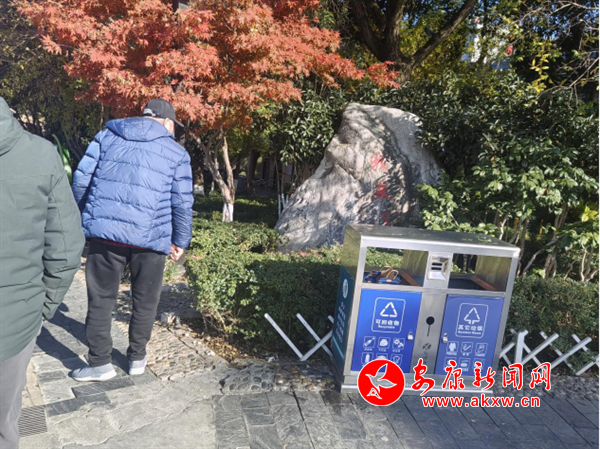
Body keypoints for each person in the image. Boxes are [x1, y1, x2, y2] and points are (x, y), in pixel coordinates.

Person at [71, 99, 193, 381]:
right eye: (174, 125)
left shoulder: (106, 137)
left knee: (101, 299)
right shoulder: (176, 152)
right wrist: (180, 240)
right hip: (151, 238)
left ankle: (100, 364)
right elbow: (182, 202)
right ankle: (137, 359)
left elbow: (81, 180)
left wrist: (79, 218)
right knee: (145, 300)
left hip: (106, 235)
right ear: (166, 122)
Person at [0, 97, 85, 448]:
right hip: (15, 318)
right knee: (4, 422)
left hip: (17, 314)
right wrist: (42, 307)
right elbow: (66, 246)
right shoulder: (41, 154)